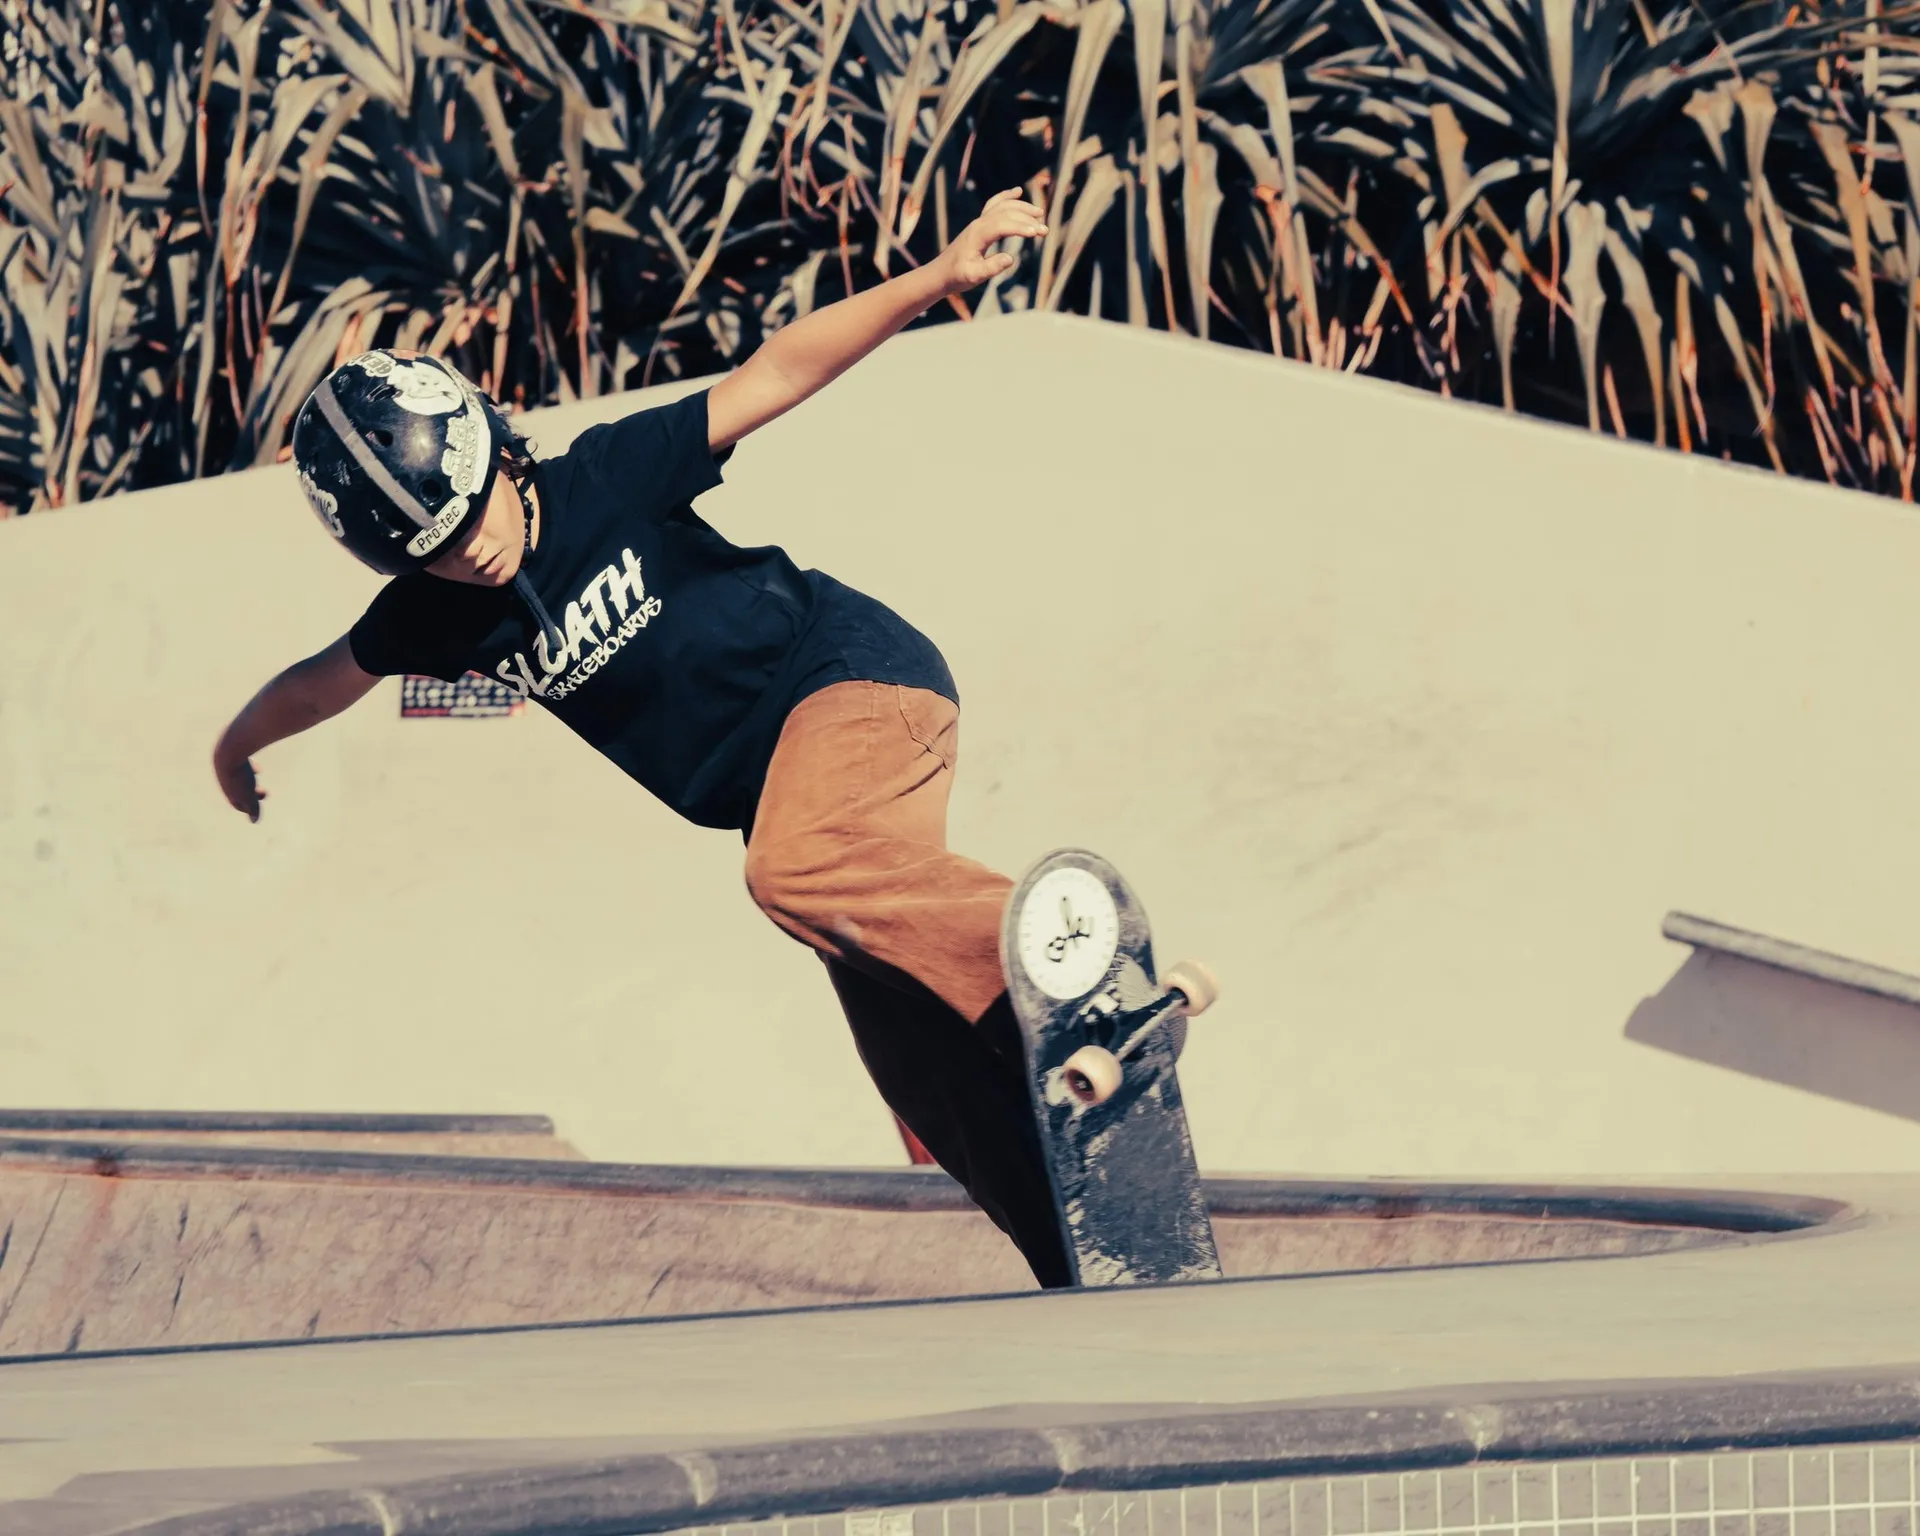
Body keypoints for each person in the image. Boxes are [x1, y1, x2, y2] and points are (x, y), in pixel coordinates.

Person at [211, 190, 1074, 1287]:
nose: (474, 551)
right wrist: (232, 751)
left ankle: (1065, 953)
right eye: (437, 548)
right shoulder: (435, 614)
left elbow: (776, 373)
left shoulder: (607, 479)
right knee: (907, 1050)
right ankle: (1079, 1249)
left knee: (792, 871)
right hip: (790, 787)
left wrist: (938, 277)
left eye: (477, 510)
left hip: (852, 680)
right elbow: (318, 683)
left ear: (495, 453)